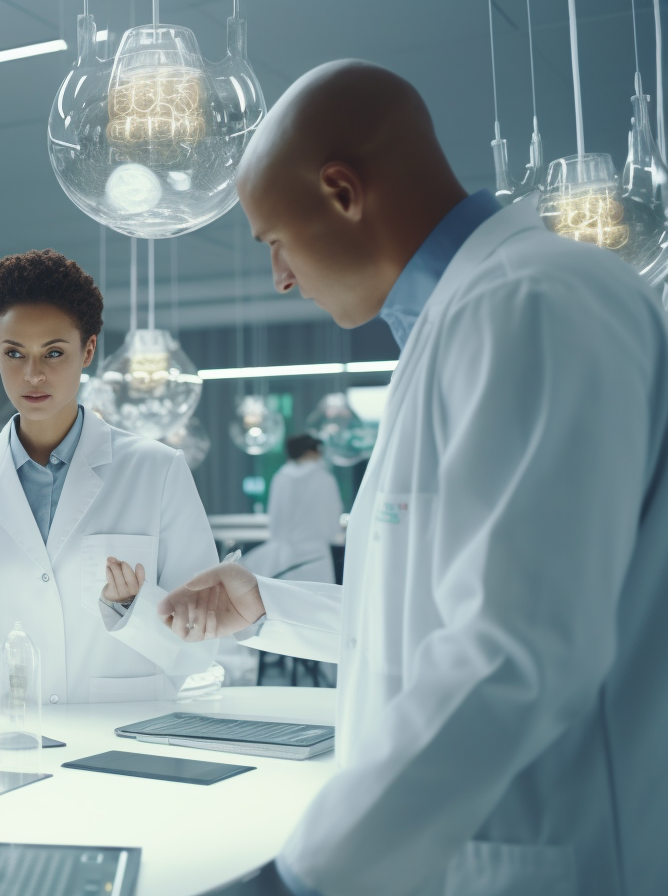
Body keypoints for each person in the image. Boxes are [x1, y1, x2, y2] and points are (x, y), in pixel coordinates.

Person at [166, 62, 668, 895]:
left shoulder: (530, 301)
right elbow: (432, 615)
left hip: (546, 854)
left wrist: (296, 878)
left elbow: (515, 652)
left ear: (341, 191)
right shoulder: (464, 323)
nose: (281, 278)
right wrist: (267, 605)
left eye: (274, 243)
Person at [0, 249, 219, 703]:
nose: (33, 374)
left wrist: (131, 609)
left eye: (53, 352)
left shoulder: (157, 470)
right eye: (14, 353)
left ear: (87, 350)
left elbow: (204, 641)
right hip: (5, 735)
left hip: (121, 731)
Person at [245, 433, 343, 585]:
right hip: (317, 552)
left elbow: (275, 516)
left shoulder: (282, 477)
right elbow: (332, 518)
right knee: (316, 598)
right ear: (310, 452)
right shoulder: (325, 479)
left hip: (285, 551)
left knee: (286, 599)